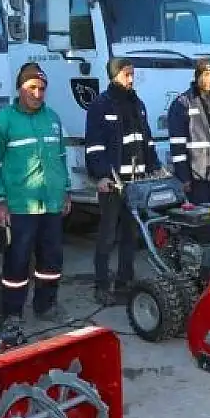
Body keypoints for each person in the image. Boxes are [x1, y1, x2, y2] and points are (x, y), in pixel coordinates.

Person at [0, 62, 71, 330]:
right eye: (32, 87)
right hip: (20, 206)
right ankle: (12, 313)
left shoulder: (53, 119)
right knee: (17, 262)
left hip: (52, 204)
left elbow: (62, 159)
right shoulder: (1, 121)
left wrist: (65, 192)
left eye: (42, 88)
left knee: (51, 260)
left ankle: (46, 305)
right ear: (20, 88)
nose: (38, 94)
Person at [84, 58, 161, 306]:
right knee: (107, 236)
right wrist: (101, 175)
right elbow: (94, 146)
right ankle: (101, 285)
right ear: (114, 76)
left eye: (132, 74)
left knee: (131, 234)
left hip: (136, 184)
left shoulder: (137, 104)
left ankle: (125, 281)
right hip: (113, 184)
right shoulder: (100, 105)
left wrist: (156, 167)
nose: (131, 79)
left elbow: (146, 140)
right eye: (126, 74)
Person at [168, 58, 210, 205]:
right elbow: (177, 146)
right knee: (203, 222)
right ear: (197, 76)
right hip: (198, 177)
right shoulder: (183, 103)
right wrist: (184, 177)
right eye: (206, 74)